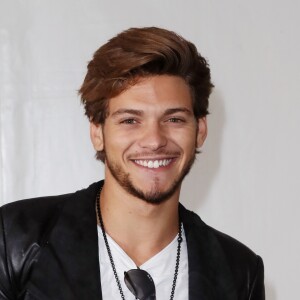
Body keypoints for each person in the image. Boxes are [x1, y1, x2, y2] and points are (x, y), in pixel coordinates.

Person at [0, 27, 265, 300]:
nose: (154, 140)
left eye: (174, 119)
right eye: (130, 120)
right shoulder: (16, 240)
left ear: (199, 131)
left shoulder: (240, 271)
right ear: (97, 133)